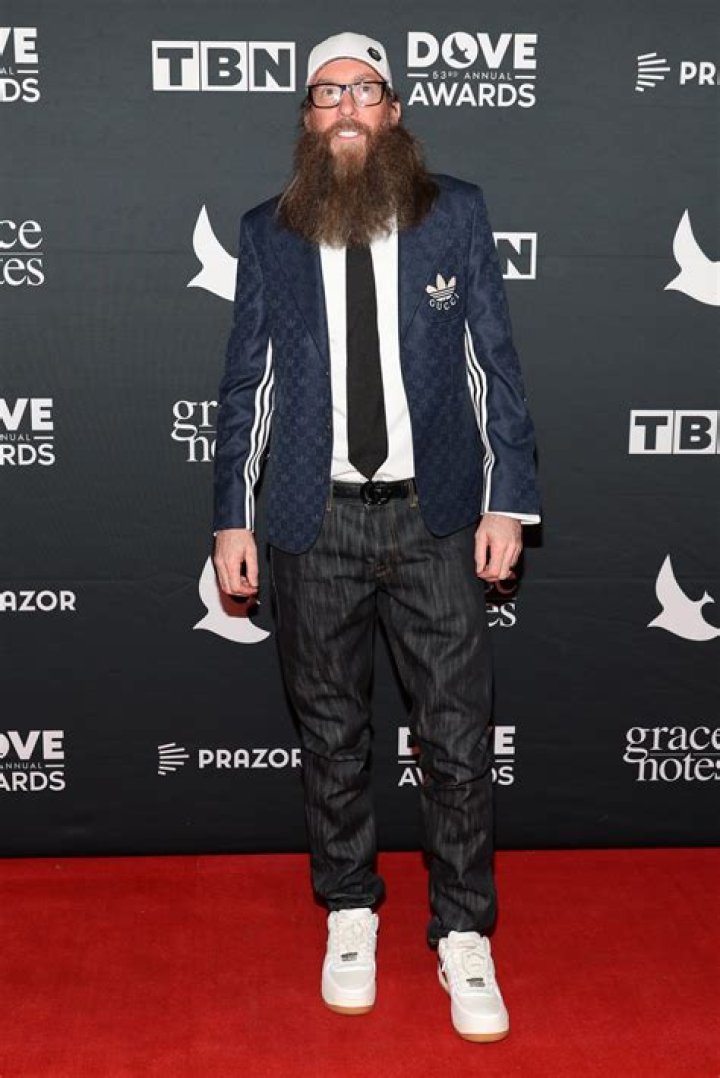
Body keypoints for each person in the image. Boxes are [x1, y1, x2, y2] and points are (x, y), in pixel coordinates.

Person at [212, 31, 541, 1043]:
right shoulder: (269, 231)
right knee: (330, 734)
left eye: (364, 90)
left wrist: (508, 499)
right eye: (327, 94)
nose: (347, 107)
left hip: (436, 516)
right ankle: (349, 908)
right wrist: (232, 514)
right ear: (308, 120)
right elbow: (249, 384)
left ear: (394, 111)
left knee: (457, 738)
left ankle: (463, 931)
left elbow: (493, 362)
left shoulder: (456, 214)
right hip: (312, 520)